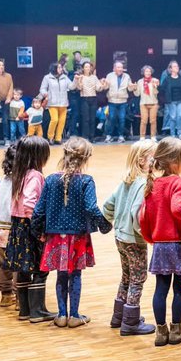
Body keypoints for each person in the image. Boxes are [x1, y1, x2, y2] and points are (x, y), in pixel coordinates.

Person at [33, 137, 109, 329]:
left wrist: (37, 232)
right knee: (75, 275)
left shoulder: (50, 180)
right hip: (78, 236)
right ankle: (74, 315)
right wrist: (104, 225)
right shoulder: (86, 181)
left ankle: (61, 315)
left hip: (56, 235)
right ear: (85, 159)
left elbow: (38, 210)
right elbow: (91, 208)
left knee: (61, 275)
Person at [101, 139, 158, 336]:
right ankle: (131, 322)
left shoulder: (127, 181)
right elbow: (137, 214)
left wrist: (109, 223)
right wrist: (146, 235)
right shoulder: (143, 184)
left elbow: (108, 205)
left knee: (126, 276)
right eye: (154, 157)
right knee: (138, 278)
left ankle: (119, 316)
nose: (157, 161)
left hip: (120, 238)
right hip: (134, 240)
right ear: (143, 161)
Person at [140, 137, 181, 346]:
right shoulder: (179, 183)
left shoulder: (153, 183)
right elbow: (179, 209)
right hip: (178, 243)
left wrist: (150, 237)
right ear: (173, 161)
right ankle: (176, 330)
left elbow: (143, 216)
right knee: (179, 288)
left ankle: (161, 332)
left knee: (160, 289)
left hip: (160, 244)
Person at [2, 136, 54, 322]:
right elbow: (30, 202)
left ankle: (25, 310)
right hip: (30, 226)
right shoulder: (35, 176)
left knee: (24, 268)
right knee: (41, 268)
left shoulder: (19, 173)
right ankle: (37, 311)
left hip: (18, 226)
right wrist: (39, 228)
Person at [0, 143, 17, 309]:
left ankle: (6, 296)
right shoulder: (23, 180)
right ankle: (19, 297)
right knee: (18, 264)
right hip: (14, 226)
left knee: (4, 264)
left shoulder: (5, 180)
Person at [38, 62, 72, 144]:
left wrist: (76, 80)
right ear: (54, 68)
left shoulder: (65, 77)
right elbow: (42, 89)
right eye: (59, 67)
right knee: (54, 120)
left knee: (62, 121)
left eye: (61, 67)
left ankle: (58, 138)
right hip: (52, 103)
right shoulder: (47, 77)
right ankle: (50, 137)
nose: (61, 69)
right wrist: (45, 93)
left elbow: (71, 86)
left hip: (63, 103)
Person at [103, 61, 132, 144]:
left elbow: (129, 89)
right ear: (114, 68)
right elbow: (105, 87)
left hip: (122, 101)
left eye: (121, 67)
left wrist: (132, 86)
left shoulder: (127, 76)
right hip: (112, 101)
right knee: (111, 118)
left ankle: (121, 136)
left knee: (122, 119)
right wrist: (105, 84)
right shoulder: (109, 75)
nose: (120, 69)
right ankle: (109, 136)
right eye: (118, 67)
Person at [74, 61, 100, 142]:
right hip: (84, 98)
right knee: (85, 119)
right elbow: (79, 88)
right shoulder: (81, 77)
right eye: (86, 67)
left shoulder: (94, 77)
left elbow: (98, 87)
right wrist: (79, 81)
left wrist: (102, 85)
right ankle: (85, 137)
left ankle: (92, 137)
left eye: (89, 67)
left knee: (92, 119)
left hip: (93, 98)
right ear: (83, 68)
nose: (88, 68)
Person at [160, 61, 181, 139]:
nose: (177, 68)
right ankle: (172, 134)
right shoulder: (167, 78)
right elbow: (162, 89)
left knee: (180, 116)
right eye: (175, 66)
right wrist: (164, 98)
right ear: (171, 69)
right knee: (173, 117)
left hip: (180, 100)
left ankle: (179, 133)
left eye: (177, 66)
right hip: (171, 101)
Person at [134, 65, 160, 139]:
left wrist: (155, 86)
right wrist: (134, 88)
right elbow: (137, 94)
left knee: (153, 121)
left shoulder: (155, 80)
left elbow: (156, 93)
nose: (148, 73)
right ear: (143, 72)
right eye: (146, 71)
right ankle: (142, 137)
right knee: (144, 121)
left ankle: (153, 136)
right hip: (143, 103)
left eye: (149, 71)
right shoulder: (140, 81)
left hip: (153, 103)